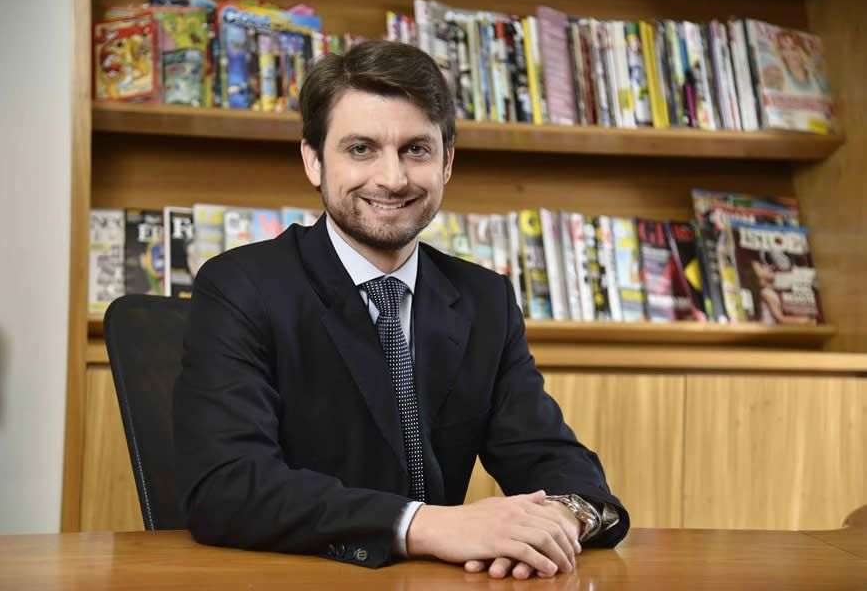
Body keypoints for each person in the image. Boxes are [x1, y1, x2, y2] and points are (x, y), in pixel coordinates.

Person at [173, 40, 629, 580]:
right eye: (361, 149)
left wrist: (563, 517)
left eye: (416, 149)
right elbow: (226, 486)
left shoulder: (485, 299)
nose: (392, 178)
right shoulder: (241, 286)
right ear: (314, 160)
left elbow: (554, 460)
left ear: (447, 162)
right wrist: (425, 525)